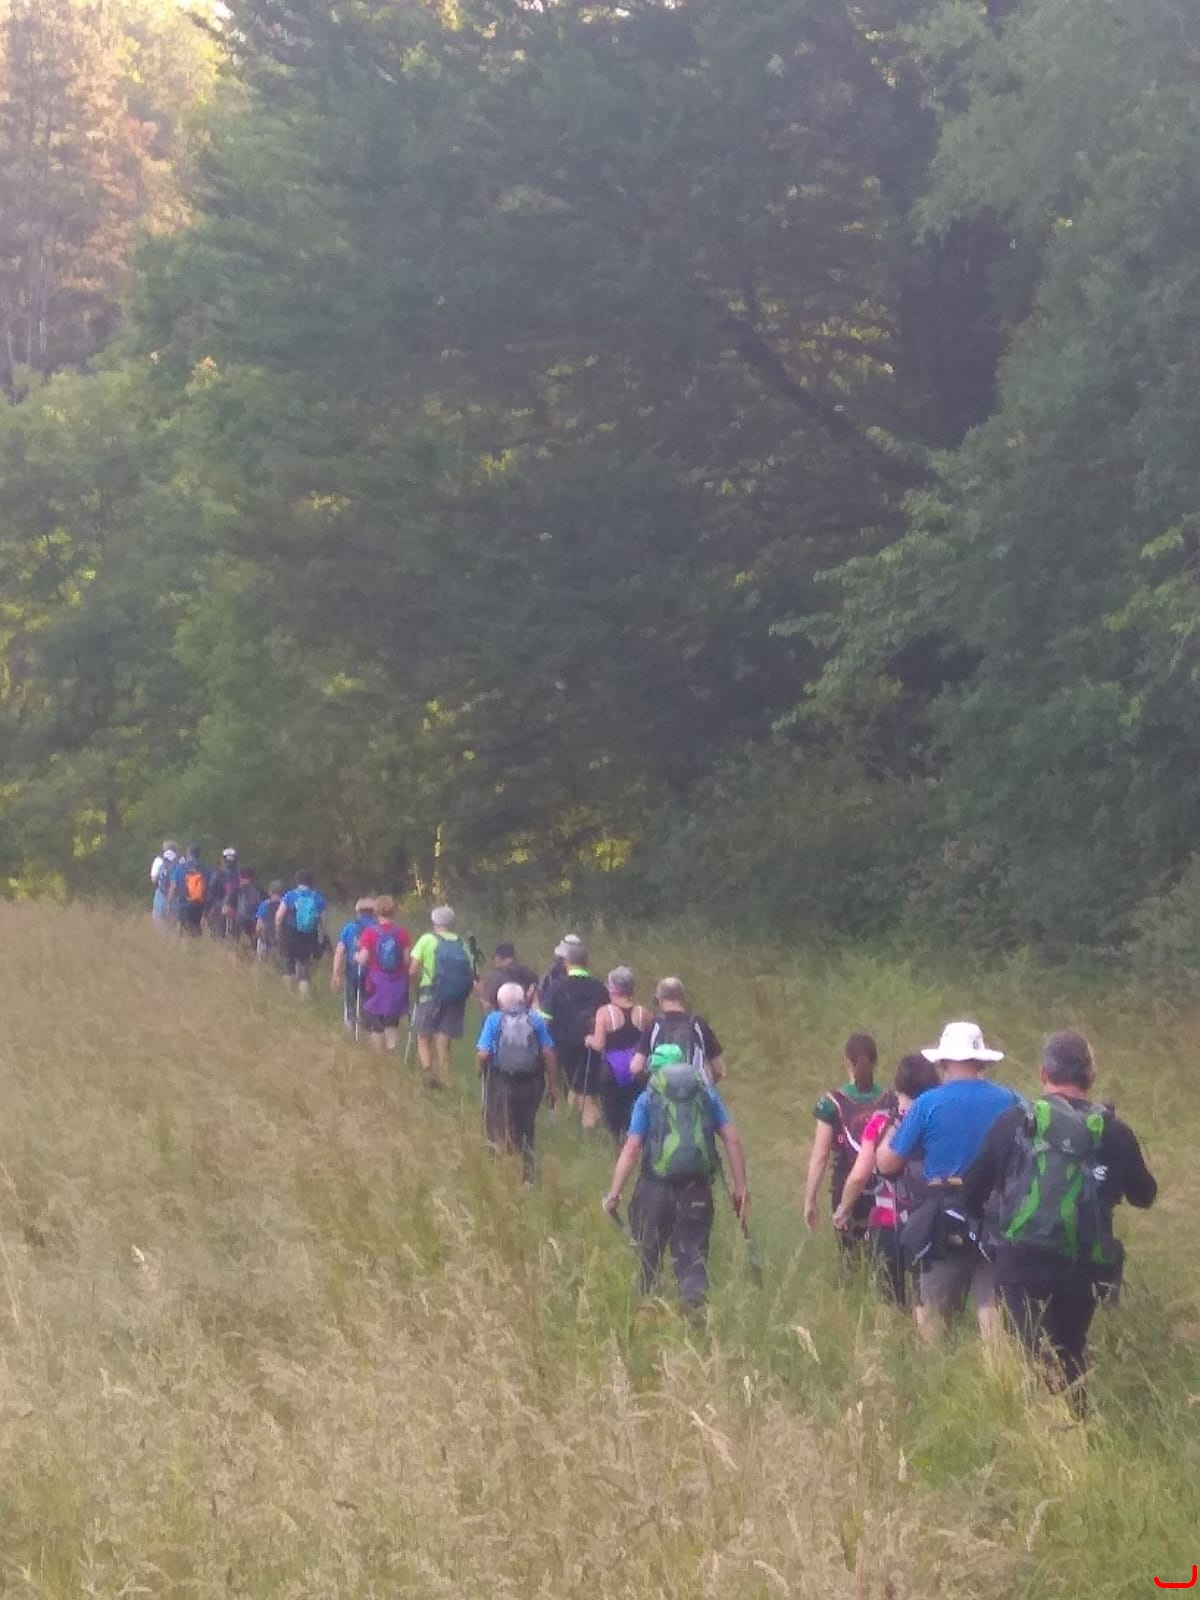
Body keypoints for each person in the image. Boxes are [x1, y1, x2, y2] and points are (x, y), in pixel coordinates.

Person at [962, 1030, 1157, 1411]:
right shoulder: (1113, 1131)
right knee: (1070, 1349)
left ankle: (1055, 1428)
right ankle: (1074, 1422)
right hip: (1084, 1261)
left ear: (1042, 1073)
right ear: (1090, 1077)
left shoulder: (1014, 1123)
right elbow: (1144, 1195)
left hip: (1022, 1260)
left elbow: (971, 1192)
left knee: (1035, 1353)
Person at [876, 1020, 1018, 1340]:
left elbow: (886, 1163)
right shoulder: (1011, 1100)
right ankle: (999, 1371)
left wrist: (897, 1120)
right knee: (993, 1319)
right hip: (997, 1218)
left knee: (933, 1321)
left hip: (944, 1220)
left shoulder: (927, 1103)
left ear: (942, 1062)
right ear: (981, 1061)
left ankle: (934, 1369)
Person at [602, 1042, 749, 1318]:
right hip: (697, 1189)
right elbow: (732, 1138)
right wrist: (740, 1188)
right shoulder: (706, 1094)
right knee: (693, 1258)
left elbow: (632, 1149)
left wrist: (614, 1194)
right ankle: (694, 1316)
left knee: (648, 1255)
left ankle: (646, 1314)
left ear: (654, 1070)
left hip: (655, 1189)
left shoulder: (647, 1098)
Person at [832, 1053, 941, 1303]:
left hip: (888, 1220)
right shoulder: (938, 1119)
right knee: (927, 1300)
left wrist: (843, 1209)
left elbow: (859, 1175)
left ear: (898, 1085)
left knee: (889, 1299)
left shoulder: (881, 1121)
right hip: (931, 1220)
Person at [803, 1033, 896, 1245]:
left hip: (845, 1188)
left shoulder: (832, 1102)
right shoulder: (891, 1100)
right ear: (876, 1062)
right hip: (885, 1188)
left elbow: (820, 1157)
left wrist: (810, 1199)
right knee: (885, 1255)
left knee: (850, 1257)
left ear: (846, 1061)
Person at [476, 981, 560, 1182]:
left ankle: (498, 1172)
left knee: (497, 1125)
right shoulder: (536, 1020)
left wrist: (480, 1070)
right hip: (531, 1082)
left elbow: (483, 1053)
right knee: (526, 1127)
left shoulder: (494, 1019)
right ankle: (527, 1177)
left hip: (501, 1080)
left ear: (500, 1001)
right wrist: (553, 1085)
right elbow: (548, 1053)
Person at [540, 938, 610, 1129]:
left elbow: (545, 1020)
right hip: (591, 1048)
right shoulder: (599, 988)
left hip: (562, 1049)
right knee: (586, 1092)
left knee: (565, 1090)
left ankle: (568, 1127)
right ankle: (585, 1128)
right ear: (586, 962)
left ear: (566, 962)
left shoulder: (556, 987)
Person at [408, 906, 475, 1089]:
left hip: (430, 994)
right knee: (444, 1037)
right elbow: (472, 971)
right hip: (455, 997)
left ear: (433, 920)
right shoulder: (461, 943)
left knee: (424, 1035)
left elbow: (413, 970)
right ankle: (445, 1079)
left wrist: (416, 988)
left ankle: (428, 1073)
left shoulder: (427, 939)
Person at [585, 967, 651, 1144]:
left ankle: (617, 1149)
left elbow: (599, 1044)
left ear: (612, 988)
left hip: (611, 1071)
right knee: (635, 1113)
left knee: (613, 1117)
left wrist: (589, 1040)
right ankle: (637, 1146)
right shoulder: (643, 1013)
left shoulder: (604, 1012)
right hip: (637, 1070)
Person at [629, 978, 727, 1086]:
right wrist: (707, 1086)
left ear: (660, 999)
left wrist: (650, 1083)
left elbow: (636, 1067)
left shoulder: (653, 1025)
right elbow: (719, 1069)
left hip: (663, 1091)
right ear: (682, 998)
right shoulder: (699, 1024)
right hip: (695, 1090)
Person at [354, 896, 411, 1052]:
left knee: (376, 1026)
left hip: (375, 985)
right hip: (397, 986)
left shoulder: (370, 932)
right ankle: (392, 1058)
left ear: (376, 911)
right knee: (392, 1025)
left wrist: (356, 956)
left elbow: (363, 959)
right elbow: (407, 961)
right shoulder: (402, 933)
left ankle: (378, 1061)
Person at [275, 870, 327, 997]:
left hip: (291, 934)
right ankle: (303, 998)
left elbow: (279, 916)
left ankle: (287, 995)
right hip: (309, 935)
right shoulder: (318, 898)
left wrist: (278, 931)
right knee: (304, 967)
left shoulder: (290, 896)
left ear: (297, 881)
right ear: (311, 882)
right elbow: (323, 921)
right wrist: (322, 937)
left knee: (288, 965)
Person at [331, 897, 377, 1034]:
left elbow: (340, 951)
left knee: (350, 1005)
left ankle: (350, 1034)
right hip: (372, 976)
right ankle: (367, 1032)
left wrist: (336, 974)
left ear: (358, 911)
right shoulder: (378, 928)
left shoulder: (350, 927)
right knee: (368, 1007)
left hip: (352, 973)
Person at [479, 944, 539, 1013]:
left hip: (505, 1017)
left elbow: (487, 1005)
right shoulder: (526, 972)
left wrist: (480, 992)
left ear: (499, 958)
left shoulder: (497, 977)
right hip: (527, 1014)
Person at [168, 845, 209, 936]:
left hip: (184, 905)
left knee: (183, 932)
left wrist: (169, 903)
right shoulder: (206, 869)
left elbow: (173, 886)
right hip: (199, 906)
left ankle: (186, 944)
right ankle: (196, 944)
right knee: (196, 930)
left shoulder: (180, 868)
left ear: (188, 854)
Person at [206, 848, 243, 938]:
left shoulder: (217, 874)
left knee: (218, 935)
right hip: (236, 910)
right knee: (235, 936)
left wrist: (208, 909)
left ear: (223, 860)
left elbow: (210, 893)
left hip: (219, 909)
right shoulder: (240, 876)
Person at [255, 880, 285, 962]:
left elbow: (259, 925)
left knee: (263, 961)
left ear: (270, 892)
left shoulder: (264, 904)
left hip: (265, 937)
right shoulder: (285, 905)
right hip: (281, 937)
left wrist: (258, 936)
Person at [150, 841, 178, 925]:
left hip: (161, 894)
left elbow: (153, 879)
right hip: (175, 895)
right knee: (173, 922)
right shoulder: (180, 860)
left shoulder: (159, 860)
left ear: (164, 849)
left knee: (158, 921)